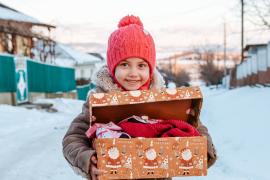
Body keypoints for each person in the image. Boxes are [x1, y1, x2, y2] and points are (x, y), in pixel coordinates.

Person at [62, 15, 217, 180]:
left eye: (141, 65)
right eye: (124, 64)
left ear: (150, 69)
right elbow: (72, 138)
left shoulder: (163, 99)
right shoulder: (99, 101)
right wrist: (87, 160)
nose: (133, 73)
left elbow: (193, 125)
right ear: (112, 67)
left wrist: (204, 149)